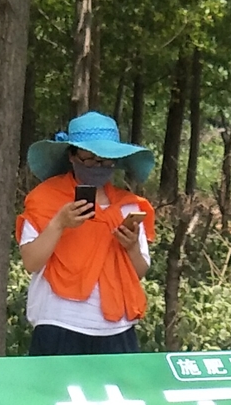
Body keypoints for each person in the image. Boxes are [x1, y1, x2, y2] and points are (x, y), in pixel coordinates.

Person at [17, 111, 155, 355]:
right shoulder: (46, 199)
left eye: (106, 161)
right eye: (90, 159)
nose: (99, 166)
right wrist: (59, 223)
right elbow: (31, 261)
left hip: (118, 328)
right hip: (59, 322)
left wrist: (132, 247)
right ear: (72, 156)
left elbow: (139, 271)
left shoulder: (129, 206)